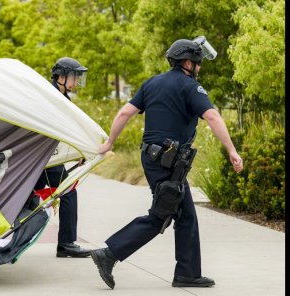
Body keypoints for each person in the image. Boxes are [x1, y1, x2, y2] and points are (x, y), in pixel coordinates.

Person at [87, 36, 244, 289]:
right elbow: (213, 116)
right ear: (188, 62)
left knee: (185, 215)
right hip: (169, 162)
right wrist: (232, 150)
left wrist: (109, 143)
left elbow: (125, 112)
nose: (200, 67)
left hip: (153, 158)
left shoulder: (152, 83)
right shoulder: (190, 87)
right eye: (198, 63)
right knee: (161, 215)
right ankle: (109, 254)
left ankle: (188, 273)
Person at [34, 57, 91, 258]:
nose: (77, 82)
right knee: (67, 191)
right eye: (75, 77)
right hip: (41, 159)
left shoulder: (61, 97)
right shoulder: (51, 97)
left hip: (46, 158)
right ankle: (66, 243)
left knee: (26, 197)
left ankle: (66, 243)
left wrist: (80, 151)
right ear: (61, 77)